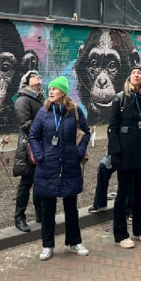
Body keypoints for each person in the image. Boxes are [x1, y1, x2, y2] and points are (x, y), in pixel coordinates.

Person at [28, 76, 91, 261]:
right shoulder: (43, 112)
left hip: (70, 164)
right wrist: (40, 156)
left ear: (63, 92)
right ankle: (47, 245)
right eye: (50, 89)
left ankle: (74, 242)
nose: (51, 91)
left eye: (55, 89)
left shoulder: (75, 111)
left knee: (71, 206)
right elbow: (33, 136)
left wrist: (78, 152)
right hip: (48, 165)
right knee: (48, 208)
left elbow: (86, 132)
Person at [108, 66, 141, 248]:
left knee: (139, 193)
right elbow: (113, 128)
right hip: (125, 153)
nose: (137, 75)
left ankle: (140, 229)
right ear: (129, 78)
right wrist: (115, 152)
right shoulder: (120, 99)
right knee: (123, 194)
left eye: (139, 73)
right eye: (133, 73)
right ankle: (121, 234)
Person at [12, 70, 44, 232]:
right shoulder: (23, 99)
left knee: (39, 181)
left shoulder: (40, 99)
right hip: (28, 148)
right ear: (26, 80)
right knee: (26, 183)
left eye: (39, 75)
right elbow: (25, 124)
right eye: (34, 76)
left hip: (41, 145)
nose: (38, 77)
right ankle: (19, 217)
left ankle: (40, 213)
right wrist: (46, 125)